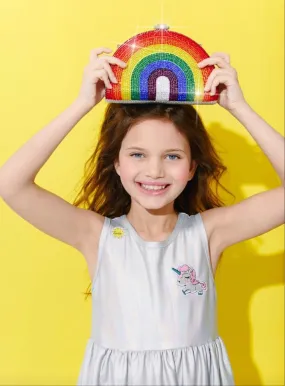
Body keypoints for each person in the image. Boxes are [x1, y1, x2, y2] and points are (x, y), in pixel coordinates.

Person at [0, 47, 284, 386]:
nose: (154, 170)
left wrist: (239, 107)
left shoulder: (207, 233)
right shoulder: (96, 235)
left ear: (192, 167)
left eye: (173, 156)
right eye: (137, 154)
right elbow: (11, 183)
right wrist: (82, 104)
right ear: (117, 163)